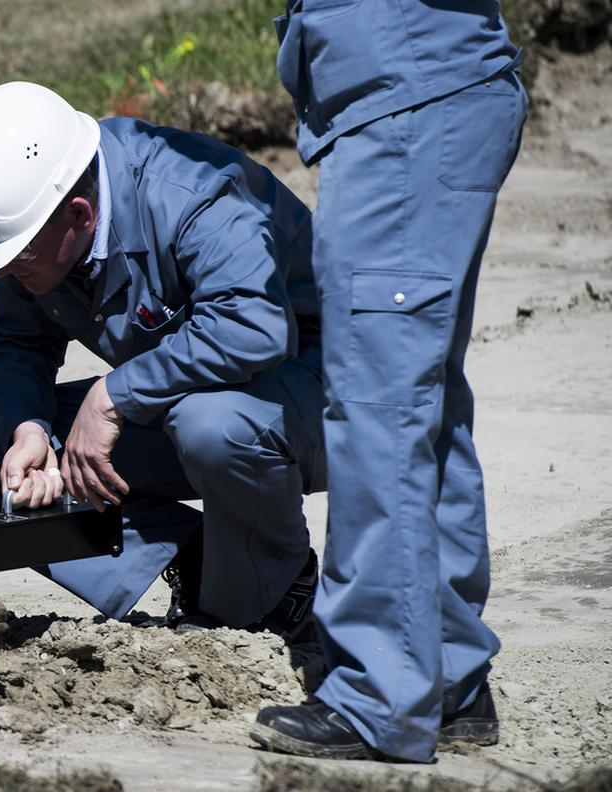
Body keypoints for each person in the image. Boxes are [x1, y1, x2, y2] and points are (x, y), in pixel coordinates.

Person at [0, 81, 323, 635]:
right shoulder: (44, 226)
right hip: (186, 407)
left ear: (80, 216)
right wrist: (29, 429)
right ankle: (203, 555)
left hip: (321, 401)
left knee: (211, 425)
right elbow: (13, 339)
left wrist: (113, 397)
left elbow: (253, 327)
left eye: (17, 256)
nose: (5, 273)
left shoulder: (193, 195)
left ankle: (278, 588)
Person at [251, 0, 528, 763]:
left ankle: (381, 693)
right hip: (424, 93)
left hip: (406, 107)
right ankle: (446, 677)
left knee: (378, 410)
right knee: (420, 400)